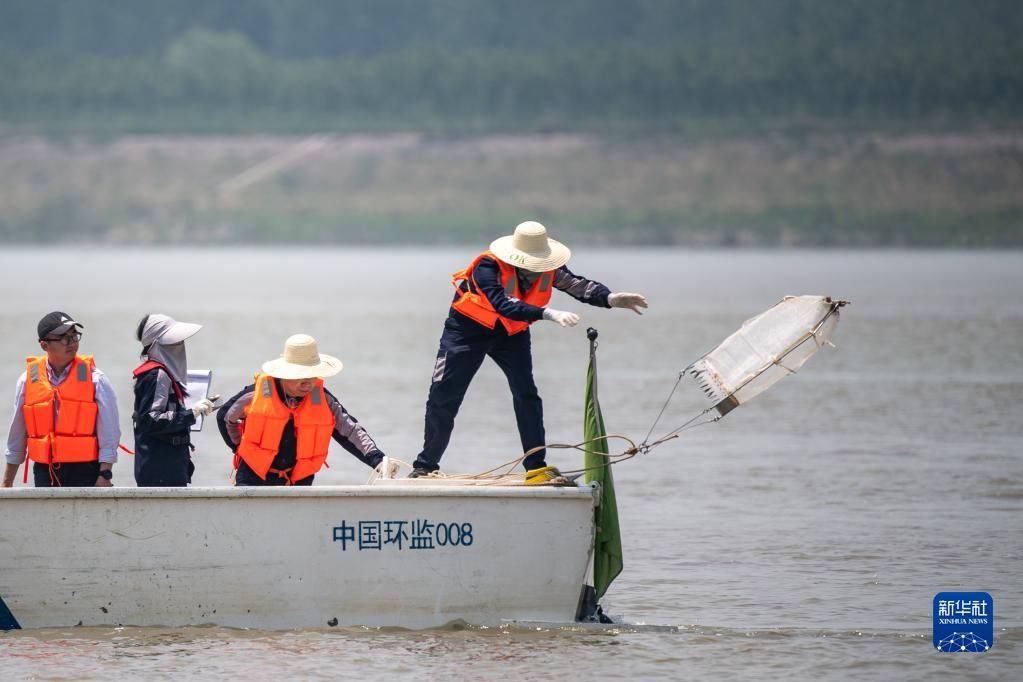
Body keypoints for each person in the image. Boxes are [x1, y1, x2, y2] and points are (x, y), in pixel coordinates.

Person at [411, 220, 648, 477]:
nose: (538, 268)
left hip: (512, 333)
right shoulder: (487, 266)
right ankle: (425, 467)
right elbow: (502, 303)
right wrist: (547, 313)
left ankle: (536, 468)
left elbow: (578, 286)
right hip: (467, 331)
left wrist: (611, 299)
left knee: (527, 395)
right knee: (443, 396)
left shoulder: (550, 268)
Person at [217, 334, 386, 485]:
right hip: (252, 478)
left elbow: (349, 430)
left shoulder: (321, 398)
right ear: (284, 374)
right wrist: (239, 447)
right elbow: (225, 417)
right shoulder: (258, 392)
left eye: (312, 375)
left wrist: (377, 460)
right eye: (299, 375)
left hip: (298, 482)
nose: (307, 383)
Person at [3, 311, 121, 488]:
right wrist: (6, 484)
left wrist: (105, 474)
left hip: (86, 470)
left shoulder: (96, 378)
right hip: (44, 470)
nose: (72, 343)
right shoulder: (28, 380)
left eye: (74, 336)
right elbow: (17, 434)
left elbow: (110, 432)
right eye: (64, 338)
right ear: (45, 345)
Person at [133, 313, 215, 487]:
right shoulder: (158, 375)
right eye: (174, 341)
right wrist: (191, 414)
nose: (180, 345)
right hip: (160, 469)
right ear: (156, 345)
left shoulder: (161, 374)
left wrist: (191, 412)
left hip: (167, 466)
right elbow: (151, 420)